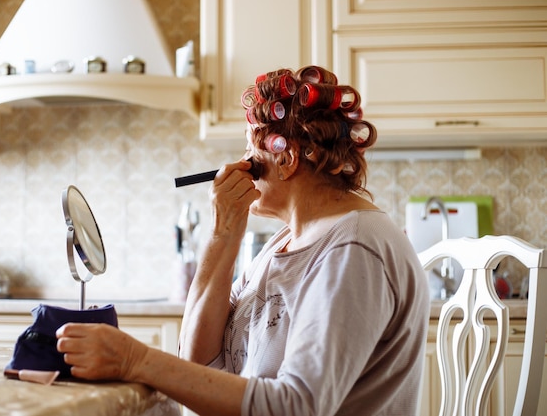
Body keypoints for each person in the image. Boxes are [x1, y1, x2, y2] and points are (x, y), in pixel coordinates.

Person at [56, 65, 430, 416]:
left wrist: (136, 361)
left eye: (251, 152)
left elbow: (297, 406)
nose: (242, 163)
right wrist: (223, 234)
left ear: (287, 159)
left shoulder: (354, 249)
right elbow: (197, 360)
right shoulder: (281, 245)